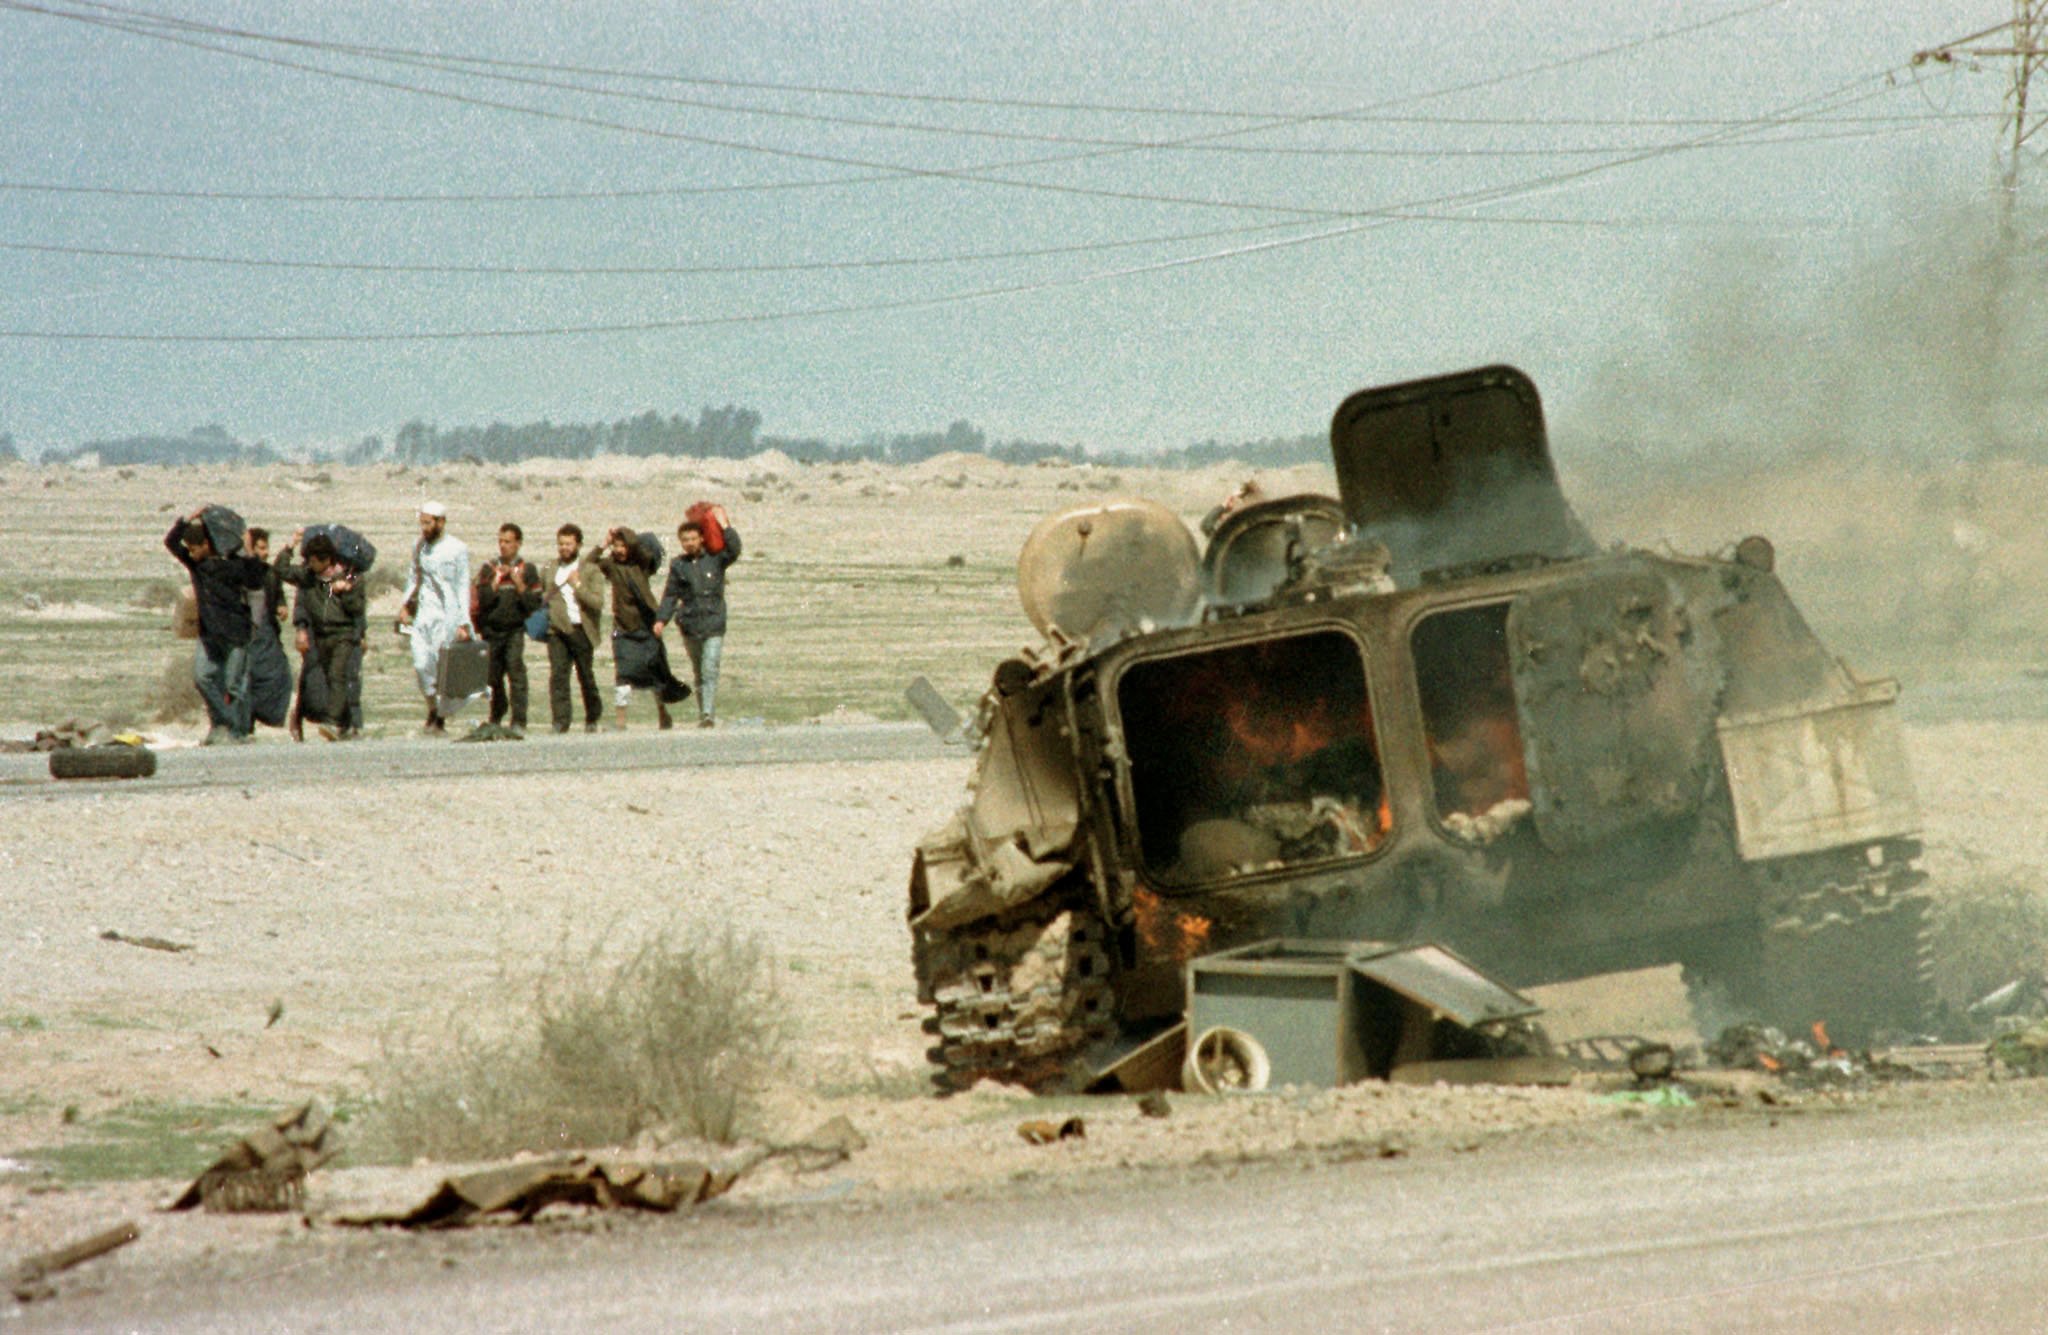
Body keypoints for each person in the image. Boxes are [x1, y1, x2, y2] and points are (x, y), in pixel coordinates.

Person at [163, 505, 265, 745]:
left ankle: (235, 732)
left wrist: (249, 551)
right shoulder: (197, 567)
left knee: (233, 686)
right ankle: (224, 724)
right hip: (209, 635)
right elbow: (171, 543)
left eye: (194, 548)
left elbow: (255, 579)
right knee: (203, 678)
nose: (190, 553)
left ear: (207, 545)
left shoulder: (233, 565)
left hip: (236, 634)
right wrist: (188, 520)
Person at [594, 525, 690, 730]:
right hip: (623, 629)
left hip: (646, 626)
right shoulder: (611, 566)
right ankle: (621, 722)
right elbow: (590, 563)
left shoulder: (642, 565)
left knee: (654, 673)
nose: (619, 550)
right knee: (623, 674)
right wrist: (604, 544)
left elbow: (647, 550)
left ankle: (663, 714)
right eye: (616, 546)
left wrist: (631, 540)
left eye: (623, 546)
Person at [275, 530, 366, 740]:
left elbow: (357, 608)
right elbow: (281, 570)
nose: (310, 564)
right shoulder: (308, 577)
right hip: (320, 636)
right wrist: (290, 546)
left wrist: (346, 592)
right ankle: (345, 724)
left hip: (343, 634)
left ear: (326, 560)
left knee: (337, 675)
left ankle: (333, 723)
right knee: (327, 681)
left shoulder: (349, 576)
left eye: (313, 561)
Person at [653, 512, 741, 728]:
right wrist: (661, 620)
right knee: (699, 670)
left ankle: (708, 715)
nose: (690, 543)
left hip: (714, 623)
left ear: (701, 538)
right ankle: (704, 713)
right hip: (690, 625)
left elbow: (734, 549)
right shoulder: (678, 565)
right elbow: (671, 595)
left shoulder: (716, 559)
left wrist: (725, 525)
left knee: (710, 667)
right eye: (685, 540)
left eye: (693, 538)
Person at [398, 501, 473, 734]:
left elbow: (462, 586)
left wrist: (463, 622)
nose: (424, 528)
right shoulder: (419, 546)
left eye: (428, 523)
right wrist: (404, 605)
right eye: (422, 523)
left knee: (443, 669)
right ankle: (433, 707)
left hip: (448, 616)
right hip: (424, 614)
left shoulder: (457, 548)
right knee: (422, 664)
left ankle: (439, 717)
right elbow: (413, 577)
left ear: (441, 522)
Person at [470, 522, 542, 738]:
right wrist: (496, 581)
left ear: (518, 544)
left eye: (508, 542)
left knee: (516, 671)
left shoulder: (528, 569)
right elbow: (482, 600)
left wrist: (518, 582)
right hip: (491, 630)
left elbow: (534, 603)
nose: (503, 546)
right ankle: (497, 712)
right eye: (500, 541)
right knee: (492, 676)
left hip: (514, 630)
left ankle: (519, 719)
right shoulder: (489, 568)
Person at [543, 523, 606, 734]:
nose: (564, 548)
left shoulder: (590, 570)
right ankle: (560, 722)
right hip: (556, 631)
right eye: (561, 544)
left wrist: (578, 585)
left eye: (568, 544)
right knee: (558, 676)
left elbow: (597, 602)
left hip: (581, 630)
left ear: (578, 545)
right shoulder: (550, 568)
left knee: (585, 675)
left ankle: (592, 717)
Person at [241, 527, 295, 733]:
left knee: (279, 675)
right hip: (246, 634)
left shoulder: (269, 573)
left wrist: (281, 605)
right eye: (261, 548)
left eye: (266, 548)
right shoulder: (240, 571)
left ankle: (262, 717)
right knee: (246, 678)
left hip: (267, 633)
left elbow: (277, 593)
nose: (266, 553)